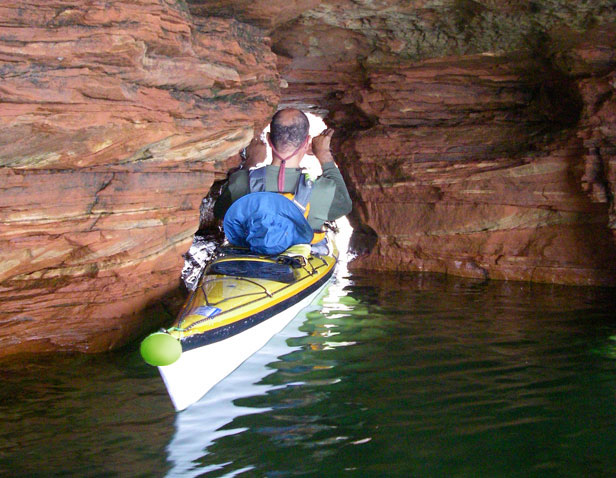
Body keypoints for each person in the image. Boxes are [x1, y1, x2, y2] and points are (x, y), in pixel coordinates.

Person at [213, 108, 352, 253]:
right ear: (307, 142)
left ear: (268, 139)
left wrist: (251, 161)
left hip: (250, 262)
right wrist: (324, 155)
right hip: (299, 266)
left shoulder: (240, 181)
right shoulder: (324, 189)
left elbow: (220, 212)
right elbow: (345, 206)